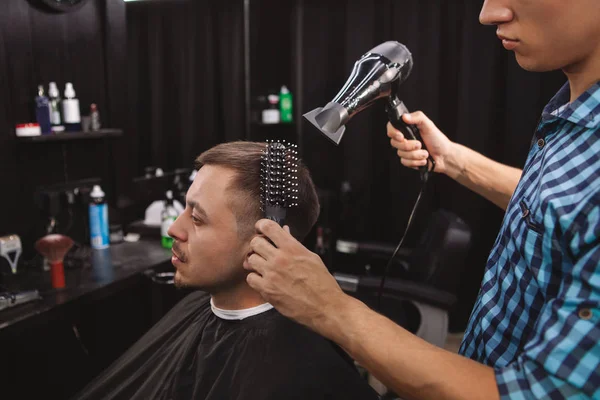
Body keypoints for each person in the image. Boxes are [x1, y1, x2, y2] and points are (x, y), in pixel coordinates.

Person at [244, 1, 600, 399]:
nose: (488, 14)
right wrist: (453, 160)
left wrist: (331, 309)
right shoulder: (573, 116)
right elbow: (563, 209)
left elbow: (538, 394)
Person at [71, 141, 380, 400]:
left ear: (263, 243)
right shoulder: (199, 308)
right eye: (185, 208)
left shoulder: (294, 372)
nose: (173, 230)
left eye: (198, 218)